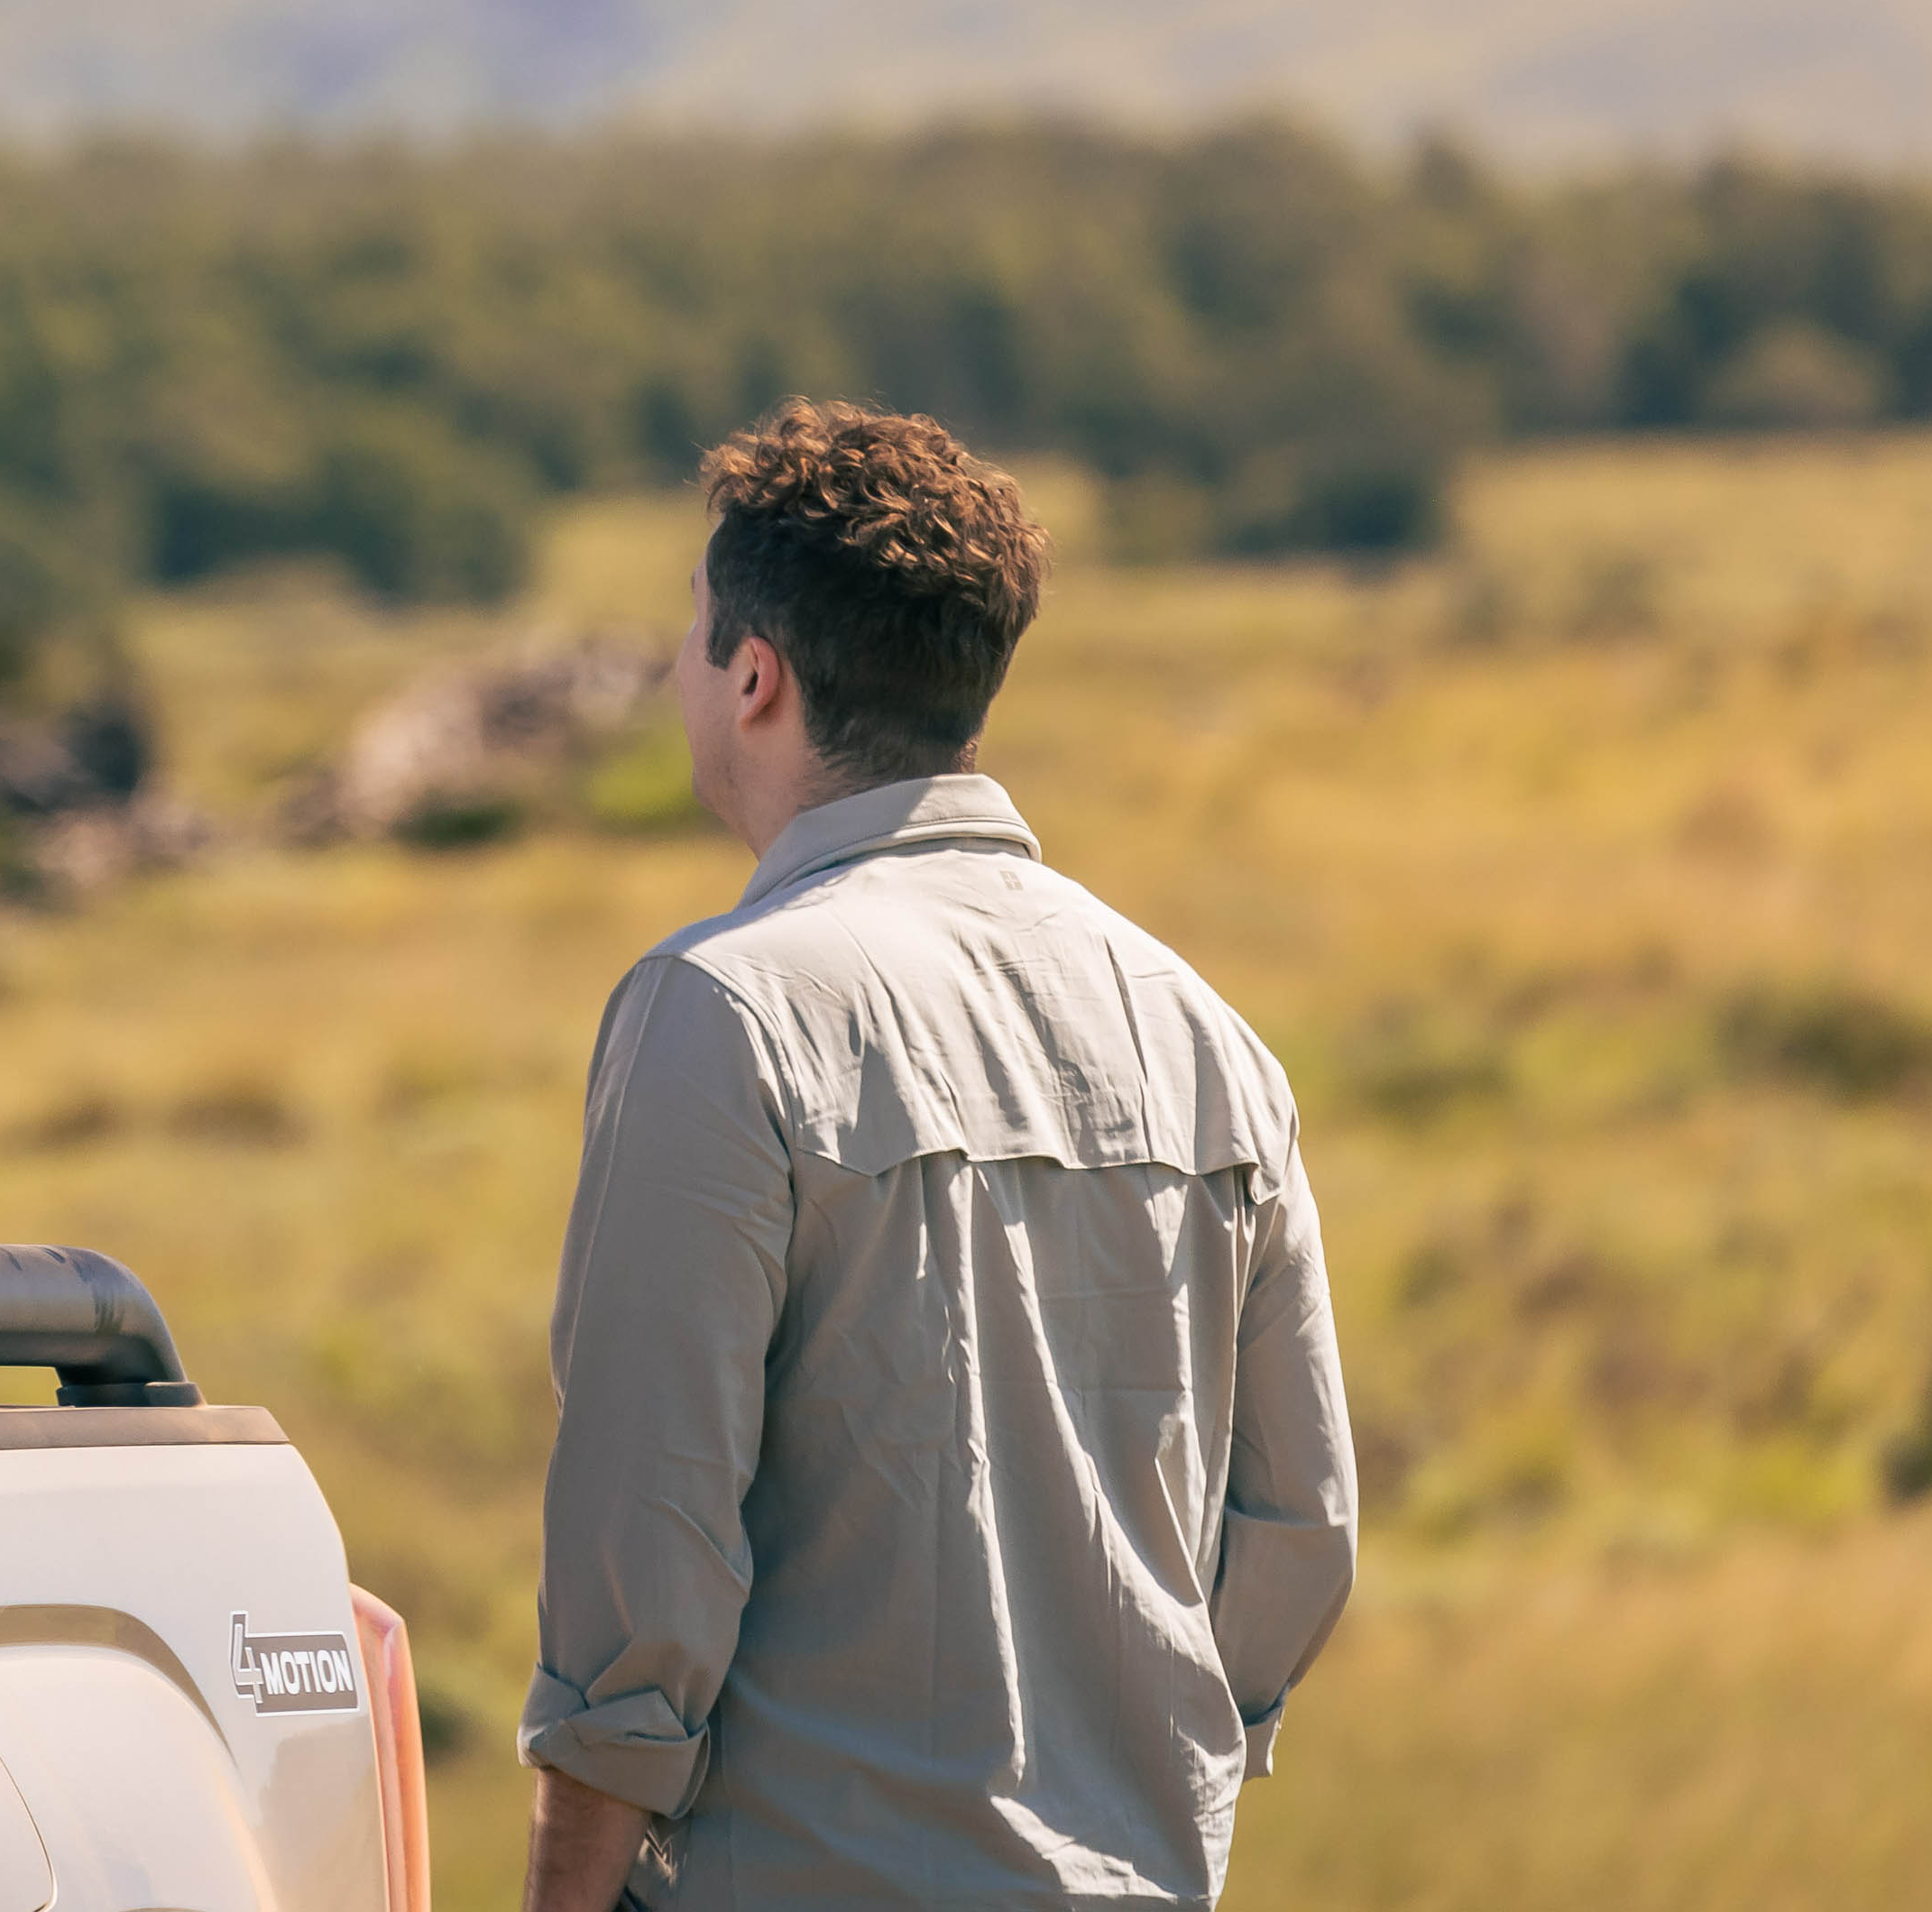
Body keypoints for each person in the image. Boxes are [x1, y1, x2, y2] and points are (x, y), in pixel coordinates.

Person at [520, 400, 1356, 1911]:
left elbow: (645, 1566)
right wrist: (1119, 1777)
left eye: (691, 640)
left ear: (756, 678)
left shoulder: (723, 1011)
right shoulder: (1211, 1038)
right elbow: (1301, 1541)